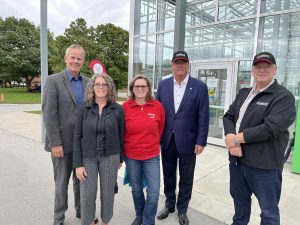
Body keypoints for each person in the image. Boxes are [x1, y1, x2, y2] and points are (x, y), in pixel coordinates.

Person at [223, 52, 296, 225]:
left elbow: (271, 128)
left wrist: (236, 140)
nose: (262, 70)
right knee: (239, 203)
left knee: (268, 212)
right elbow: (228, 117)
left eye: (267, 67)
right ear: (252, 70)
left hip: (265, 167)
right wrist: (231, 138)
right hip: (237, 161)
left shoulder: (283, 97)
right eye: (258, 67)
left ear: (275, 70)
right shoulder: (244, 93)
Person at [156, 50, 209, 225]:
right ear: (172, 65)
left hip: (189, 141)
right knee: (168, 174)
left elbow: (203, 115)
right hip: (167, 140)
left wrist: (201, 140)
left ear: (188, 65)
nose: (179, 65)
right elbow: (158, 113)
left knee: (186, 177)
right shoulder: (163, 85)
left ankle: (183, 209)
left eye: (183, 62)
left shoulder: (199, 87)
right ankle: (169, 204)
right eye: (176, 62)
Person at [43, 44, 91, 225]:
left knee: (81, 181)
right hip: (61, 144)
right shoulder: (54, 80)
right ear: (66, 58)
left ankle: (81, 212)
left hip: (83, 144)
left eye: (79, 59)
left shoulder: (89, 82)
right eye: (73, 57)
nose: (76, 61)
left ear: (83, 61)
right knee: (61, 183)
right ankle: (59, 217)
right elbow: (49, 113)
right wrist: (55, 142)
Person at [73, 74, 124, 225]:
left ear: (109, 88)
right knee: (87, 194)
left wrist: (120, 158)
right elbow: (77, 136)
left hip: (110, 157)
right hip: (88, 158)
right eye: (97, 84)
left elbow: (121, 135)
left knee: (108, 194)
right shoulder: (84, 108)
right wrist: (78, 164)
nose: (101, 87)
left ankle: (105, 222)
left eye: (104, 84)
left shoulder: (117, 109)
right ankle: (88, 221)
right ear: (92, 87)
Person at [122, 75, 165, 225]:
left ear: (148, 89)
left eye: (143, 86)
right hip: (132, 156)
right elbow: (121, 132)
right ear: (132, 89)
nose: (140, 89)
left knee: (153, 192)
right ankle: (139, 215)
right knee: (136, 189)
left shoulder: (157, 106)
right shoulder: (125, 107)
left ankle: (148, 221)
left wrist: (150, 143)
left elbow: (160, 129)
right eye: (137, 86)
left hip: (151, 155)